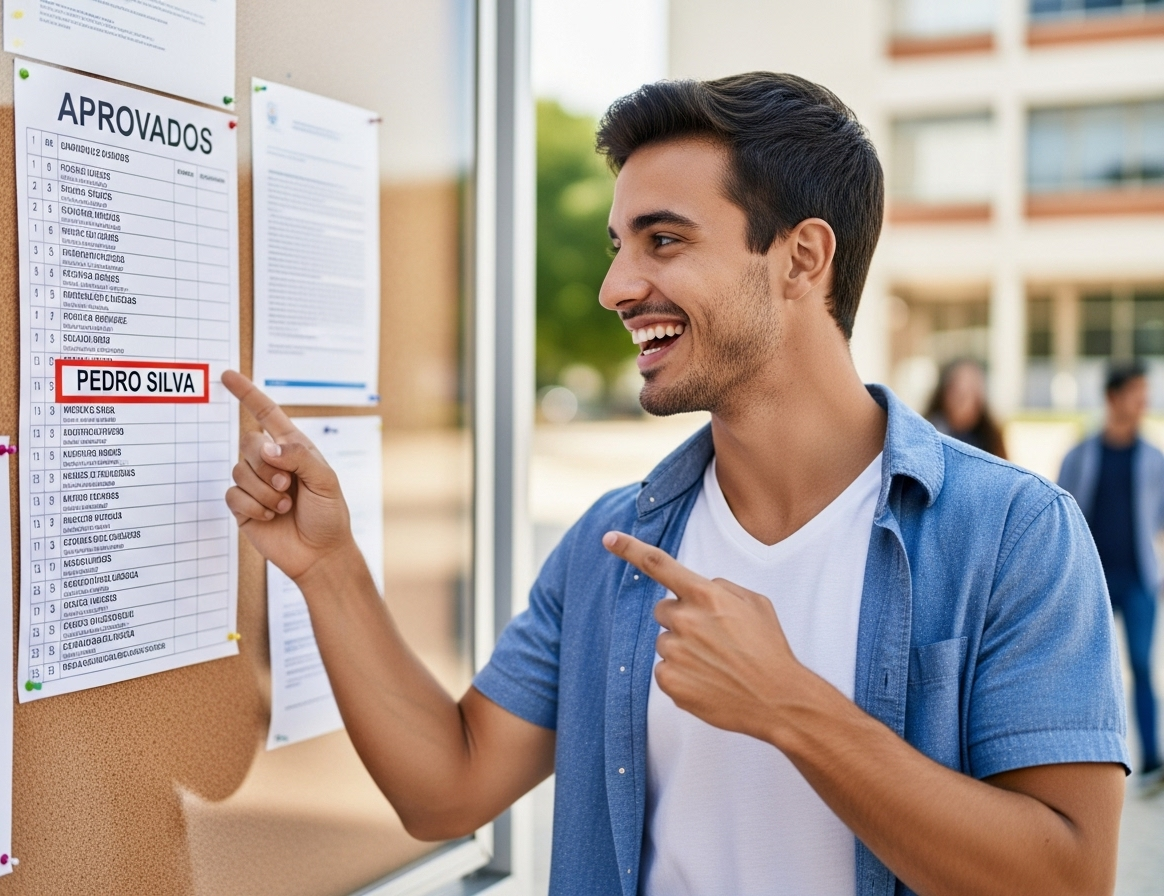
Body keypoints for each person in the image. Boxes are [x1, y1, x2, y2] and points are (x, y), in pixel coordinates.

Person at [222, 73, 1127, 896]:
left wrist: (790, 705)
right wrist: (329, 568)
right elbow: (447, 789)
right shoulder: (611, 548)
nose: (616, 287)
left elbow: (1069, 880)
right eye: (620, 246)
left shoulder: (1014, 535)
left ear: (803, 258)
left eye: (663, 240)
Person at [1059, 360, 1163, 785]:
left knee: (1141, 665)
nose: (1142, 403)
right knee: (1085, 672)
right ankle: (1076, 761)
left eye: (1145, 395)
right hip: (1090, 582)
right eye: (1136, 394)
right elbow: (1060, 515)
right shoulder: (1081, 455)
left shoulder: (1154, 458)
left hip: (1140, 580)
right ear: (1112, 398)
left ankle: (1152, 761)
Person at [925, 358, 1008, 458]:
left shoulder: (991, 439)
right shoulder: (930, 435)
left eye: (972, 393)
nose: (965, 403)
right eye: (960, 394)